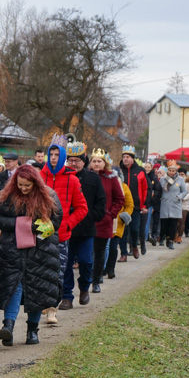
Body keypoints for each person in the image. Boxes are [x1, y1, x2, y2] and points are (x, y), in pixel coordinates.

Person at [0, 165, 62, 346]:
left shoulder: (49, 196)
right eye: (20, 184)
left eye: (27, 185)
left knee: (36, 289)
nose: (23, 188)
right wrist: (22, 223)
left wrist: (37, 226)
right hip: (13, 249)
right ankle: (8, 326)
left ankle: (33, 330)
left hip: (40, 250)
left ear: (35, 183)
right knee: (13, 286)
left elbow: (56, 221)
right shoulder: (7, 196)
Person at [40, 136, 87, 325]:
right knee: (42, 272)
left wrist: (67, 224)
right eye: (50, 154)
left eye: (56, 155)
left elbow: (82, 208)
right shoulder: (38, 177)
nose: (52, 158)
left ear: (63, 157)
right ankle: (44, 303)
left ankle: (53, 309)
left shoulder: (72, 180)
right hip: (40, 234)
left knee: (58, 272)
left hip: (61, 235)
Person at [61, 140, 105, 310]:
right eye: (71, 160)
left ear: (83, 160)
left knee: (86, 261)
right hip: (66, 229)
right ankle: (67, 296)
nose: (74, 163)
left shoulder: (93, 178)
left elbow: (101, 203)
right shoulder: (63, 177)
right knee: (66, 264)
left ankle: (85, 287)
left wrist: (92, 217)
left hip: (86, 229)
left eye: (77, 160)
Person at [88, 149, 124, 293]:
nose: (96, 164)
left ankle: (96, 280)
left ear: (104, 163)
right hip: (87, 220)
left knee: (100, 252)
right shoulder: (86, 176)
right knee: (87, 253)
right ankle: (87, 278)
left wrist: (111, 214)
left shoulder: (111, 178)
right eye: (94, 161)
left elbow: (120, 198)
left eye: (99, 161)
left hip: (104, 220)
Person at [118, 146, 148, 258]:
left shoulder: (140, 171)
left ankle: (134, 245)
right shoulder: (119, 170)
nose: (125, 159)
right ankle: (123, 254)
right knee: (123, 231)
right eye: (124, 157)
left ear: (132, 159)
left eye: (127, 157)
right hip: (121, 205)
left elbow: (146, 188)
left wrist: (145, 205)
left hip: (136, 205)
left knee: (134, 229)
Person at [158, 161, 188, 249]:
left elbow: (184, 191)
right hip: (165, 203)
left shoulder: (180, 179)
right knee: (164, 224)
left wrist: (179, 197)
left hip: (175, 204)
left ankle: (171, 240)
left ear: (176, 171)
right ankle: (166, 237)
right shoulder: (163, 179)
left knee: (173, 224)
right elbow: (160, 189)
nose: (171, 172)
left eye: (173, 171)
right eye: (170, 170)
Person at [176, 172, 189, 243]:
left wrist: (183, 198)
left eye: (182, 174)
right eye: (180, 174)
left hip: (184, 204)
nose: (181, 176)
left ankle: (180, 235)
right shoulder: (176, 181)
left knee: (182, 221)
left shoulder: (188, 183)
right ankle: (175, 234)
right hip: (176, 204)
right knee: (175, 221)